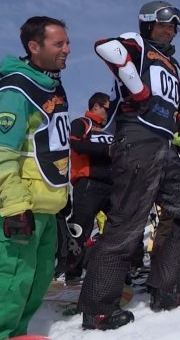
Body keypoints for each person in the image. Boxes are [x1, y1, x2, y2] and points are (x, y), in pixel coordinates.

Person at [79, 1, 180, 330]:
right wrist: (138, 89)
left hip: (164, 146)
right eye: (164, 25)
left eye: (175, 26)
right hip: (136, 139)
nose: (170, 30)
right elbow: (106, 47)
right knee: (127, 223)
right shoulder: (138, 46)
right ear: (148, 24)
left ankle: (167, 288)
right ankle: (99, 308)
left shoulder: (174, 66)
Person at [0, 16, 71, 339]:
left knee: (34, 283)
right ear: (34, 47)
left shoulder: (51, 87)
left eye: (67, 42)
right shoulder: (16, 90)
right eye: (59, 44)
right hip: (20, 207)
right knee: (6, 284)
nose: (67, 49)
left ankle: (13, 334)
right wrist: (13, 205)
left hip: (46, 207)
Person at [64, 92, 114, 285]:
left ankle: (119, 266)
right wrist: (105, 150)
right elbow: (75, 143)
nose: (109, 112)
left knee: (120, 223)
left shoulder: (108, 130)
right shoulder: (83, 123)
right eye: (107, 108)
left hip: (110, 185)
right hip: (87, 183)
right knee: (81, 228)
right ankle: (72, 272)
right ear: (96, 106)